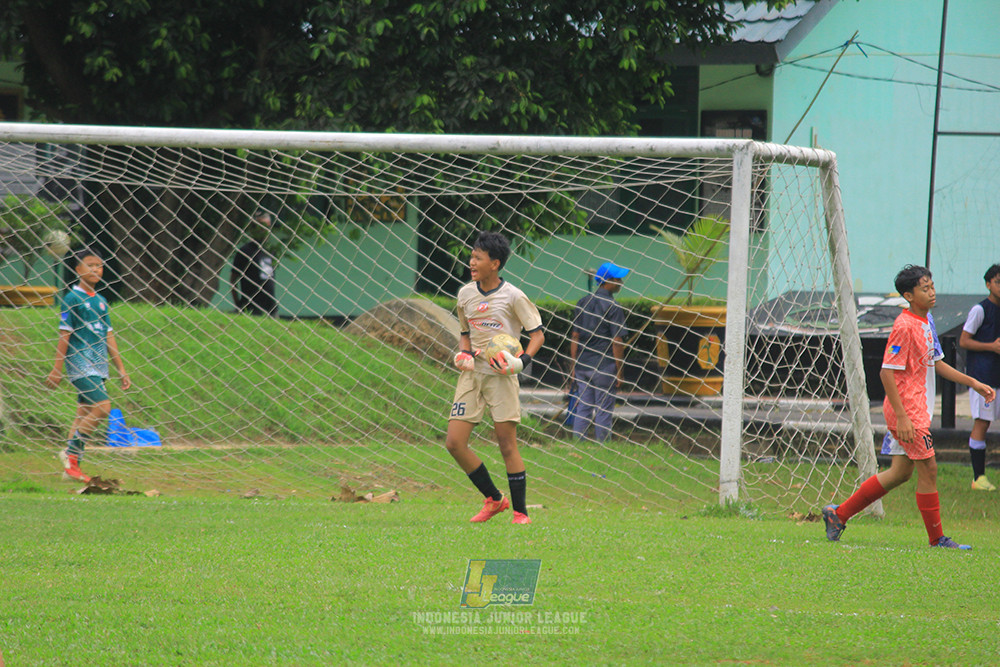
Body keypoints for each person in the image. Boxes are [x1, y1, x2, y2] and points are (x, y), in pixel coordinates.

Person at [822, 265, 995, 549]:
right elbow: (886, 372)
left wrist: (974, 383)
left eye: (932, 286)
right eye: (924, 288)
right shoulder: (903, 326)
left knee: (900, 472)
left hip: (915, 410)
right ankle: (937, 539)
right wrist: (902, 417)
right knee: (929, 468)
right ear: (908, 295)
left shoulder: (927, 322)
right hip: (908, 412)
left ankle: (838, 515)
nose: (931, 292)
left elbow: (936, 363)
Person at [447, 231, 544, 525]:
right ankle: (494, 499)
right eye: (472, 256)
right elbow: (465, 334)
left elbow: (537, 335)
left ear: (495, 263)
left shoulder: (513, 296)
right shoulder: (465, 294)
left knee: (506, 444)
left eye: (478, 257)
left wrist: (521, 362)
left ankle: (520, 513)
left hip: (501, 377)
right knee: (454, 443)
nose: (471, 261)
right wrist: (463, 353)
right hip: (472, 375)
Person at [46, 248, 131, 482]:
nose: (95, 269)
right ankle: (70, 454)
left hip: (98, 366)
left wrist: (120, 369)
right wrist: (57, 368)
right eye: (90, 265)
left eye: (99, 266)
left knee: (82, 413)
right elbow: (64, 335)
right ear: (78, 270)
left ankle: (70, 471)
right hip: (79, 364)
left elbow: (109, 337)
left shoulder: (101, 301)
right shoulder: (72, 298)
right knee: (102, 408)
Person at [569, 261, 630, 442]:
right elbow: (617, 341)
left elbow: (574, 336)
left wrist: (574, 366)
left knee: (584, 408)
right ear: (608, 281)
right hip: (604, 367)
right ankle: (603, 446)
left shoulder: (582, 302)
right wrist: (619, 371)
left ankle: (578, 443)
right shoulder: (614, 307)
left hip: (582, 366)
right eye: (618, 279)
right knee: (604, 410)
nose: (621, 283)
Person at [959, 263, 1000, 491]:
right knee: (982, 423)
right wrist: (990, 347)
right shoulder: (980, 310)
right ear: (988, 284)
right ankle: (978, 477)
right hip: (983, 376)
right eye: (998, 282)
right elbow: (964, 340)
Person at [231, 210, 277, 316]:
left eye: (267, 226)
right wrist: (237, 303)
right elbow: (233, 280)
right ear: (252, 229)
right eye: (260, 226)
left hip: (271, 307)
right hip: (251, 307)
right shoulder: (245, 251)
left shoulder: (271, 250)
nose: (264, 230)